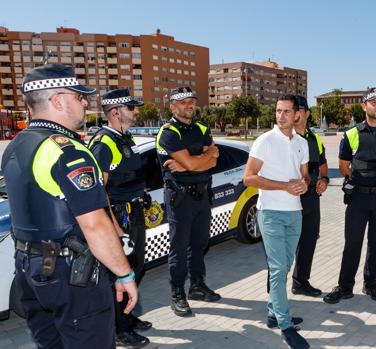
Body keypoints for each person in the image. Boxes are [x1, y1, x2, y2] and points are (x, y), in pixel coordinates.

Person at [1, 64, 138, 348]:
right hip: (71, 275)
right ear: (58, 101)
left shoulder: (17, 145)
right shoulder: (68, 151)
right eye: (79, 97)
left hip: (30, 270)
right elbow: (94, 224)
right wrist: (125, 273)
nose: (86, 103)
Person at [323, 87, 376, 305]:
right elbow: (343, 166)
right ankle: (345, 286)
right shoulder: (351, 134)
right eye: (374, 102)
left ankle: (371, 284)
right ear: (364, 106)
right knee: (352, 243)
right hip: (358, 199)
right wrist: (361, 181)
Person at [243, 94, 310, 349]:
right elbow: (248, 178)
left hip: (295, 213)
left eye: (286, 111)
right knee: (279, 269)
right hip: (270, 213)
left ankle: (273, 312)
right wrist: (284, 186)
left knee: (285, 265)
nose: (281, 115)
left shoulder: (302, 143)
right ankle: (285, 325)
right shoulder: (265, 141)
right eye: (278, 111)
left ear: (297, 115)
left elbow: (304, 175)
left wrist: (304, 183)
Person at [88, 88, 151, 347]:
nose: (136, 112)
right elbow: (98, 192)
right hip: (119, 218)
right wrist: (117, 231)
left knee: (136, 268)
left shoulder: (124, 139)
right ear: (115, 112)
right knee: (119, 273)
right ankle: (119, 330)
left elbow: (130, 175)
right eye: (131, 108)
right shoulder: (104, 143)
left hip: (134, 212)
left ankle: (129, 316)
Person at [155, 86, 220, 317]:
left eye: (192, 100)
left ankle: (197, 286)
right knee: (179, 248)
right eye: (183, 102)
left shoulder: (202, 127)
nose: (189, 105)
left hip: (202, 195)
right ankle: (178, 293)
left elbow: (214, 159)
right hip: (180, 197)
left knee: (200, 243)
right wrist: (196, 161)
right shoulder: (168, 132)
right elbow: (205, 159)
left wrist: (187, 163)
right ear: (173, 106)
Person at [291, 95, 328, 297]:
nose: (295, 113)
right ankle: (275, 297)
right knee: (286, 247)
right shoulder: (284, 137)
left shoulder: (315, 139)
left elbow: (322, 165)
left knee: (308, 241)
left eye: (299, 109)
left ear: (306, 113)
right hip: (290, 198)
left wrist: (325, 180)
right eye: (292, 109)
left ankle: (301, 282)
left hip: (312, 198)